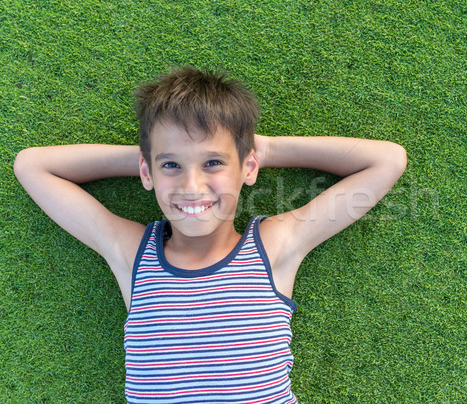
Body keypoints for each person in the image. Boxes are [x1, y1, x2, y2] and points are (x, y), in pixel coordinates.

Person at [13, 66, 407, 403]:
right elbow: (32, 166)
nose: (192, 185)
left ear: (248, 168)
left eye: (213, 162)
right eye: (171, 166)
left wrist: (260, 150)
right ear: (146, 173)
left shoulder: (274, 245)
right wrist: (148, 156)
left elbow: (385, 160)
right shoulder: (131, 252)